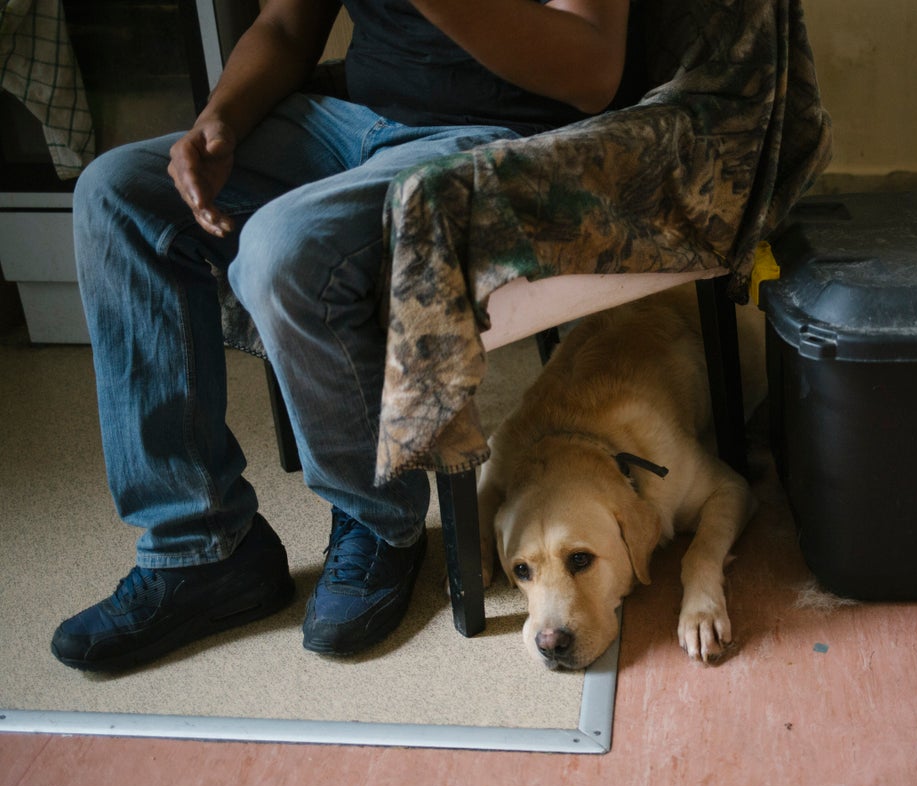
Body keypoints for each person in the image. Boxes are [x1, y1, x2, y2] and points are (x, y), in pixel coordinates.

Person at [51, 0, 632, 671]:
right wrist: (223, 118)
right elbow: (284, 26)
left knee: (282, 249)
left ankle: (380, 523)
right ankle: (202, 548)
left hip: (503, 136)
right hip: (351, 120)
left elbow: (593, 68)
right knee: (115, 191)